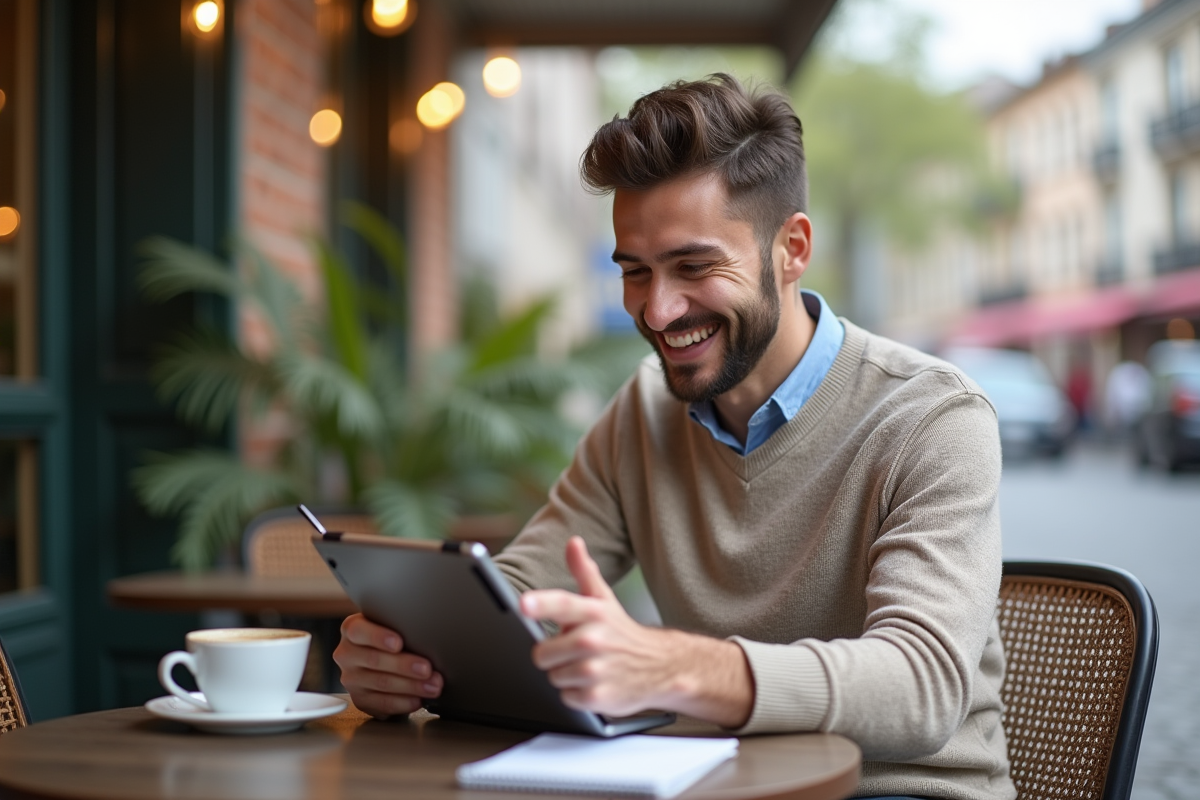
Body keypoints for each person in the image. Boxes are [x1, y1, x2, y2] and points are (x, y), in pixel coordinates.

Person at [335, 75, 1013, 800]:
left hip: (898, 792)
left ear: (792, 248)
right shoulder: (644, 409)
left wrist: (676, 669)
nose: (658, 311)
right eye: (635, 272)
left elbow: (922, 685)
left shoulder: (933, 417)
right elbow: (525, 590)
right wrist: (411, 655)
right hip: (711, 783)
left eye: (694, 267)